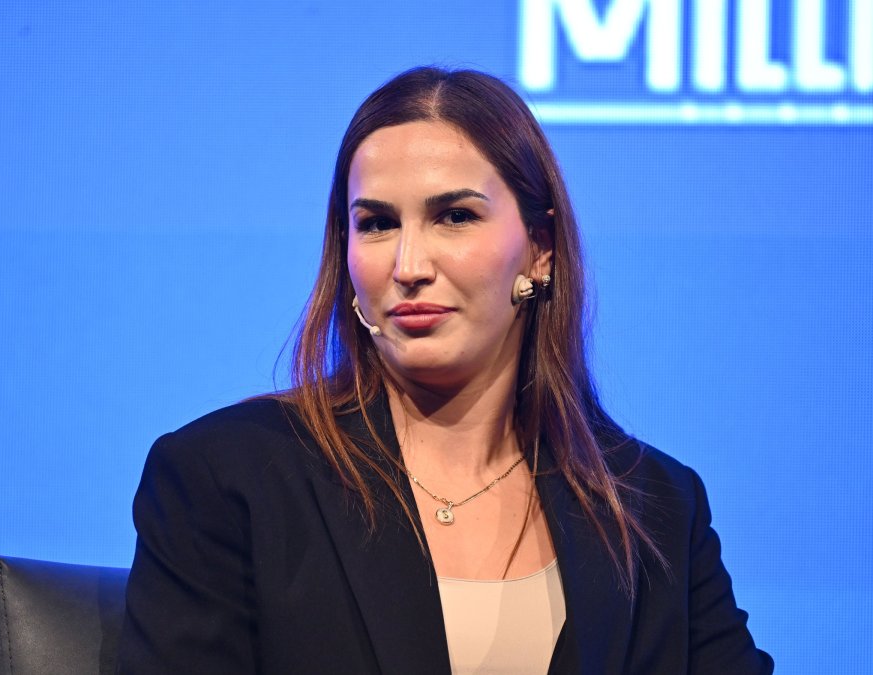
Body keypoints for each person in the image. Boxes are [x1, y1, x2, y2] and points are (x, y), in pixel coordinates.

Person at [116, 67, 773, 675]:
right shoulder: (226, 476)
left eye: (454, 216)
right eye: (375, 223)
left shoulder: (653, 506)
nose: (408, 264)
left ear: (539, 251)